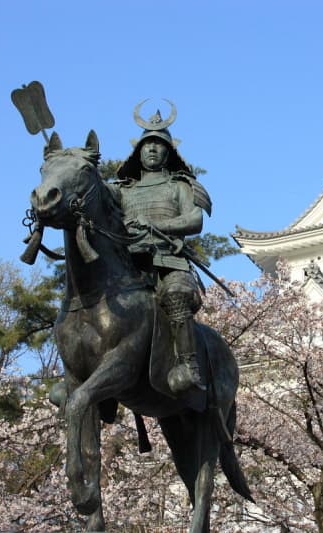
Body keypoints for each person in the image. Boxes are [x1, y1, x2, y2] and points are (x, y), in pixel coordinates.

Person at [114, 105, 211, 395]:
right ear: (138, 152)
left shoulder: (179, 186)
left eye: (159, 144)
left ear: (169, 152)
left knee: (176, 295)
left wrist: (160, 225)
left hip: (169, 262)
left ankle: (187, 364)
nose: (153, 149)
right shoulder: (122, 191)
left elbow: (195, 220)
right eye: (147, 144)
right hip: (129, 265)